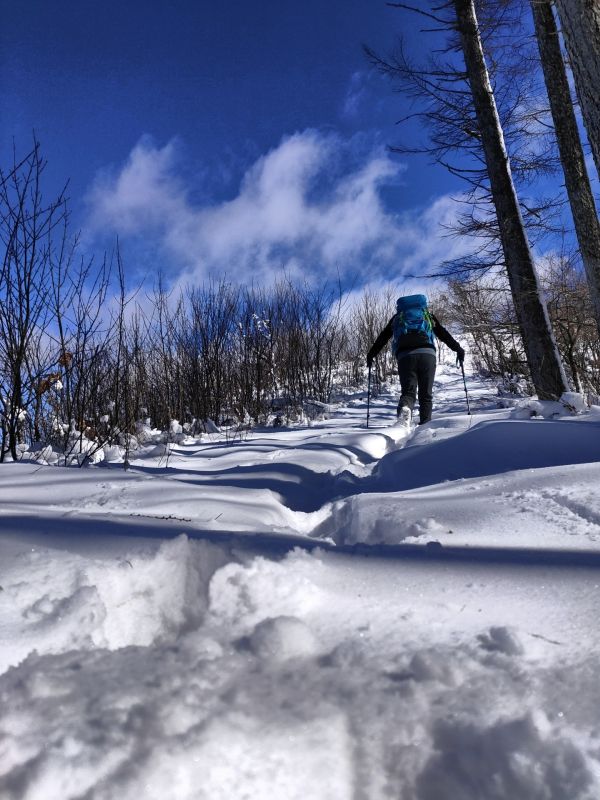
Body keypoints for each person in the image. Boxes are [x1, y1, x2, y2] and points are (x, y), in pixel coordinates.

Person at [367, 294, 465, 426]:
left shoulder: (397, 318)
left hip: (405, 356)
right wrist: (458, 349)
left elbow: (383, 337)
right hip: (427, 355)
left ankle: (405, 410)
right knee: (426, 395)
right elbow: (443, 333)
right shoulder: (427, 316)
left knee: (408, 392)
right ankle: (425, 426)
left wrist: (371, 354)